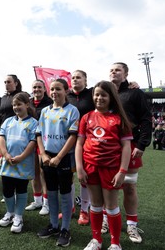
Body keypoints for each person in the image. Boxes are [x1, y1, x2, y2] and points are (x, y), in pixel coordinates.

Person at [76, 81, 133, 250]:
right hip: (90, 167)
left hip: (111, 169)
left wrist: (122, 171)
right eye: (97, 94)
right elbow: (79, 144)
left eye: (103, 95)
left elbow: (126, 147)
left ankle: (115, 243)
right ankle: (97, 240)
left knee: (111, 206)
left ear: (111, 97)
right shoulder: (86, 117)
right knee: (95, 205)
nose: (99, 98)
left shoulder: (119, 119)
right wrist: (80, 167)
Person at [108, 62, 152, 243]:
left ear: (126, 73)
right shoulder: (105, 92)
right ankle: (105, 219)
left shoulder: (135, 93)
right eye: (111, 69)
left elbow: (146, 119)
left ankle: (132, 225)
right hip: (107, 146)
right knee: (107, 185)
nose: (113, 72)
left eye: (117, 69)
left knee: (129, 186)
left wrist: (142, 145)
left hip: (131, 145)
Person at [36, 79, 80, 247]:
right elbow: (38, 133)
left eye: (58, 89)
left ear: (66, 91)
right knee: (52, 192)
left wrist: (59, 157)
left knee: (65, 193)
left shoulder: (72, 110)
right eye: (52, 89)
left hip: (64, 158)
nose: (54, 92)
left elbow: (73, 136)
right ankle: (54, 225)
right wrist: (43, 154)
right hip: (47, 157)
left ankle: (65, 229)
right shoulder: (45, 111)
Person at [0, 92, 37, 233]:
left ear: (27, 104)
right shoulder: (8, 121)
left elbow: (33, 142)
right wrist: (5, 154)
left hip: (23, 163)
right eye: (14, 104)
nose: (16, 107)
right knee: (7, 189)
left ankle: (18, 217)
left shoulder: (33, 123)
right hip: (8, 162)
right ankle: (10, 213)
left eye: (19, 104)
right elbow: (2, 138)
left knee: (21, 189)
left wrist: (21, 156)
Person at [66, 70, 95, 225]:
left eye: (79, 77)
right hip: (69, 142)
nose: (75, 80)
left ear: (85, 80)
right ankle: (70, 208)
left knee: (85, 178)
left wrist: (131, 84)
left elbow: (111, 90)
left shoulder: (92, 94)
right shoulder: (67, 96)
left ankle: (84, 210)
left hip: (88, 142)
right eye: (73, 78)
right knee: (68, 177)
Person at [25, 80, 52, 216]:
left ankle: (47, 203)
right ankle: (37, 200)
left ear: (44, 89)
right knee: (33, 171)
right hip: (29, 140)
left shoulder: (49, 102)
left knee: (43, 172)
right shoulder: (28, 102)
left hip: (43, 141)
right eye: (34, 87)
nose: (37, 89)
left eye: (39, 87)